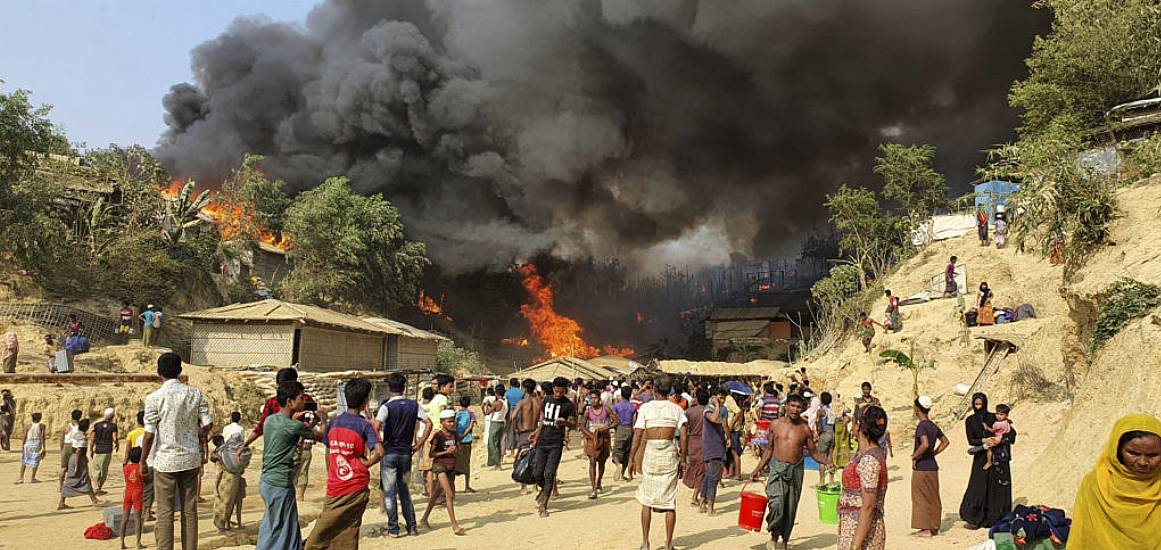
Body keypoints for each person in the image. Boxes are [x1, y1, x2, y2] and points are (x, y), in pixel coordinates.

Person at [141, 352, 213, 550]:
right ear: (180, 371)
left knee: (165, 512)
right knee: (189, 511)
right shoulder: (195, 394)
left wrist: (142, 461)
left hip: (165, 461)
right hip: (190, 458)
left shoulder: (154, 398)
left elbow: (148, 434)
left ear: (159, 372)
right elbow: (207, 423)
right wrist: (195, 432)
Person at [305, 378, 384, 550]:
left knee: (326, 525)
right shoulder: (365, 425)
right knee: (349, 527)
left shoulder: (334, 422)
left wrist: (331, 473)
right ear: (365, 401)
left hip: (335, 484)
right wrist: (365, 465)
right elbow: (379, 451)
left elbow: (328, 450)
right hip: (356, 483)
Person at [1070, 414, 1161, 549]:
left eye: (1152, 455)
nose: (1143, 462)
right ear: (1117, 450)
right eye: (1134, 453)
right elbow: (1083, 535)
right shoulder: (1096, 483)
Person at [750, 394, 828, 550]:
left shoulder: (805, 428)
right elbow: (769, 450)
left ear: (803, 409)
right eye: (792, 405)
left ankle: (784, 541)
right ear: (786, 406)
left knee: (790, 508)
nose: (795, 409)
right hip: (777, 470)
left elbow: (813, 452)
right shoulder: (775, 425)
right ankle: (773, 535)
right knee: (777, 503)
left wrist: (828, 462)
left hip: (795, 471)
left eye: (798, 407)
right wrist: (757, 469)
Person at [253, 380, 322, 550]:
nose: (303, 401)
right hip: (280, 484)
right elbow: (320, 436)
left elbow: (292, 434)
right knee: (282, 528)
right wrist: (324, 419)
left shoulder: (270, 420)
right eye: (300, 398)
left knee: (274, 524)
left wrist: (303, 423)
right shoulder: (293, 425)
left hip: (267, 481)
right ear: (290, 401)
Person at [242, 368, 318, 503]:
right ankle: (294, 499)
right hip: (289, 446)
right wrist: (245, 444)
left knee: (297, 472)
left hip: (293, 444)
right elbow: (261, 427)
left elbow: (261, 427)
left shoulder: (278, 403)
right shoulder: (279, 403)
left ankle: (298, 498)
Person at [630, 374, 688, 550]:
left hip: (651, 454)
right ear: (669, 391)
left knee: (646, 500)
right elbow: (684, 436)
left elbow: (638, 435)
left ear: (654, 390)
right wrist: (683, 459)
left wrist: (632, 458)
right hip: (669, 454)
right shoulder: (677, 409)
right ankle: (669, 544)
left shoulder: (646, 408)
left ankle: (646, 543)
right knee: (670, 502)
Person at [376, 372, 431, 538]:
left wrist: (378, 445)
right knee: (404, 491)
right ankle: (412, 527)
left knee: (389, 492)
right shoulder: (414, 405)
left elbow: (376, 426)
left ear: (388, 388)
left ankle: (393, 528)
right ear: (404, 387)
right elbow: (429, 423)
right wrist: (419, 444)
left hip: (390, 454)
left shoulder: (386, 407)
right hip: (406, 454)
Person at [959, 393, 1015, 528]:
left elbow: (1011, 434)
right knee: (978, 485)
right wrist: (984, 440)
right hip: (981, 457)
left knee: (996, 486)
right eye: (976, 404)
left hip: (997, 456)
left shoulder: (993, 417)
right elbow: (971, 440)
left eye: (981, 404)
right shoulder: (970, 420)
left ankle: (996, 517)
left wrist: (998, 440)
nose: (978, 407)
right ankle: (974, 517)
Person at [837, 405, 889, 550]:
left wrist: (855, 545)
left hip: (860, 531)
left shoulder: (869, 460)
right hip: (854, 526)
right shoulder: (865, 453)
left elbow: (868, 505)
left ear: (858, 425)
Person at [529, 377, 576, 517]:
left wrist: (565, 423)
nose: (558, 394)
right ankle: (544, 491)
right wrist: (536, 434)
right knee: (537, 473)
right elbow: (542, 420)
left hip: (556, 443)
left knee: (550, 474)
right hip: (542, 441)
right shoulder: (547, 400)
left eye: (561, 392)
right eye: (556, 391)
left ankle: (544, 505)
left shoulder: (569, 405)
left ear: (565, 391)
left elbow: (574, 425)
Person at [421, 410, 466, 535]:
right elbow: (432, 454)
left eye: (453, 421)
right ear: (442, 422)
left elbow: (459, 450)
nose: (452, 424)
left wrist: (457, 450)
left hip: (451, 466)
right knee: (449, 494)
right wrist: (447, 452)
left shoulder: (455, 435)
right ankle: (455, 525)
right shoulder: (438, 436)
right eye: (449, 421)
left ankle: (424, 518)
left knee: (436, 494)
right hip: (440, 466)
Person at [910, 396, 949, 538]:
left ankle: (925, 528)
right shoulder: (933, 425)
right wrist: (934, 453)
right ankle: (934, 526)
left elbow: (924, 443)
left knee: (920, 497)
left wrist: (915, 456)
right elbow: (945, 441)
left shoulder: (922, 426)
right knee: (933, 496)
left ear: (917, 409)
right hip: (932, 466)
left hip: (922, 467)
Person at [59, 418, 101, 509]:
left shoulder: (77, 435)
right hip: (78, 460)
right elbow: (78, 451)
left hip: (73, 458)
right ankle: (62, 502)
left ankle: (93, 499)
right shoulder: (82, 437)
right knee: (79, 479)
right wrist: (77, 465)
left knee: (82, 479)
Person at [581, 385, 615, 499]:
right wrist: (589, 435)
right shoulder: (588, 410)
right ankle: (593, 487)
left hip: (604, 438)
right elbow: (581, 425)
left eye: (595, 398)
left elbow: (616, 421)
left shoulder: (606, 409)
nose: (593, 400)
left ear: (599, 398)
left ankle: (599, 480)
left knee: (602, 462)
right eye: (591, 398)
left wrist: (605, 429)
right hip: (592, 439)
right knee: (592, 461)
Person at [700, 387, 729, 515]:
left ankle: (702, 503)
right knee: (713, 478)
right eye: (720, 398)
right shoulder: (709, 409)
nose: (722, 401)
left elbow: (724, 425)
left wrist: (727, 438)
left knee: (709, 476)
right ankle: (710, 507)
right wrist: (716, 405)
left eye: (723, 398)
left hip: (717, 445)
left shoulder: (722, 410)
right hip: (711, 446)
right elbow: (713, 418)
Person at [210, 435, 245, 533]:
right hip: (229, 481)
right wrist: (216, 489)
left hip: (228, 481)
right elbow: (218, 473)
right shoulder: (226, 452)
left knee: (227, 504)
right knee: (226, 504)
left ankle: (225, 525)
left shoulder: (223, 452)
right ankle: (222, 527)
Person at [512, 378, 539, 494]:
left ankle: (524, 487)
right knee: (536, 459)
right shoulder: (538, 402)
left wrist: (516, 428)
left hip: (525, 432)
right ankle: (535, 485)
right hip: (536, 431)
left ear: (525, 389)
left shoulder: (523, 402)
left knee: (522, 459)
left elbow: (513, 417)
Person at [681, 389, 707, 506]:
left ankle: (696, 491)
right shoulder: (707, 411)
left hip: (692, 441)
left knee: (695, 466)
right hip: (704, 442)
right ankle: (695, 495)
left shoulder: (689, 411)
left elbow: (684, 430)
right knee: (702, 470)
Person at [120, 447, 146, 550]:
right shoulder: (141, 467)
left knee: (124, 518)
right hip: (138, 492)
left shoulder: (126, 467)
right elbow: (146, 477)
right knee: (137, 519)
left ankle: (122, 543)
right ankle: (138, 543)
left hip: (128, 492)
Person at [973, 403, 1012, 470]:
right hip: (1002, 437)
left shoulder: (998, 424)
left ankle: (989, 462)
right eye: (997, 414)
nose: (998, 416)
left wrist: (986, 427)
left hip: (998, 438)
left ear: (1006, 415)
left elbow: (993, 431)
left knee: (989, 448)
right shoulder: (1007, 422)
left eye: (1001, 414)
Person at [90, 407, 119, 493]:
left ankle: (95, 487)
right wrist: (117, 445)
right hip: (107, 449)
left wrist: (90, 449)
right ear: (112, 416)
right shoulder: (113, 426)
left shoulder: (97, 425)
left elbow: (92, 438)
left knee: (95, 469)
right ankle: (99, 487)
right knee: (104, 470)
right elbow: (114, 438)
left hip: (98, 449)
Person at [613, 385, 637, 481]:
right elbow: (634, 420)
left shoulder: (617, 406)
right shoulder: (633, 407)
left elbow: (615, 418)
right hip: (630, 429)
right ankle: (622, 474)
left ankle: (618, 464)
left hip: (621, 428)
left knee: (616, 452)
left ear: (621, 395)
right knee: (627, 452)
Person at [453, 395, 477, 493]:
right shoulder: (471, 414)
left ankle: (452, 486)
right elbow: (470, 427)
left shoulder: (456, 414)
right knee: (466, 463)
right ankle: (466, 486)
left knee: (454, 463)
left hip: (457, 440)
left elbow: (453, 426)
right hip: (466, 440)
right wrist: (463, 435)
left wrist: (458, 436)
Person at [814, 392, 838, 487]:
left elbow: (818, 424)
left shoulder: (820, 411)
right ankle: (831, 481)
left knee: (821, 459)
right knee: (830, 458)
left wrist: (817, 434)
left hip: (824, 434)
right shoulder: (832, 411)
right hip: (832, 433)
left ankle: (822, 481)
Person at [17, 411, 45, 483]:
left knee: (24, 461)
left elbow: (24, 436)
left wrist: (22, 446)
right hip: (37, 444)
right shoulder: (42, 426)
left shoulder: (27, 425)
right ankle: (33, 477)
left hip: (28, 443)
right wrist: (44, 447)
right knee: (36, 460)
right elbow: (42, 437)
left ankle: (21, 478)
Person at [485, 384, 507, 470]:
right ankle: (497, 463)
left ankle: (496, 463)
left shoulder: (497, 403)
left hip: (495, 423)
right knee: (497, 443)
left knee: (492, 444)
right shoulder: (505, 402)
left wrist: (486, 405)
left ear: (496, 393)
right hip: (502, 423)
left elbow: (487, 412)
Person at [503, 378, 525, 459]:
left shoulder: (507, 393)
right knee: (519, 430)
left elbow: (505, 403)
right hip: (520, 411)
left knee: (511, 431)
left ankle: (511, 450)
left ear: (510, 384)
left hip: (511, 411)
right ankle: (519, 449)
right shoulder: (522, 392)